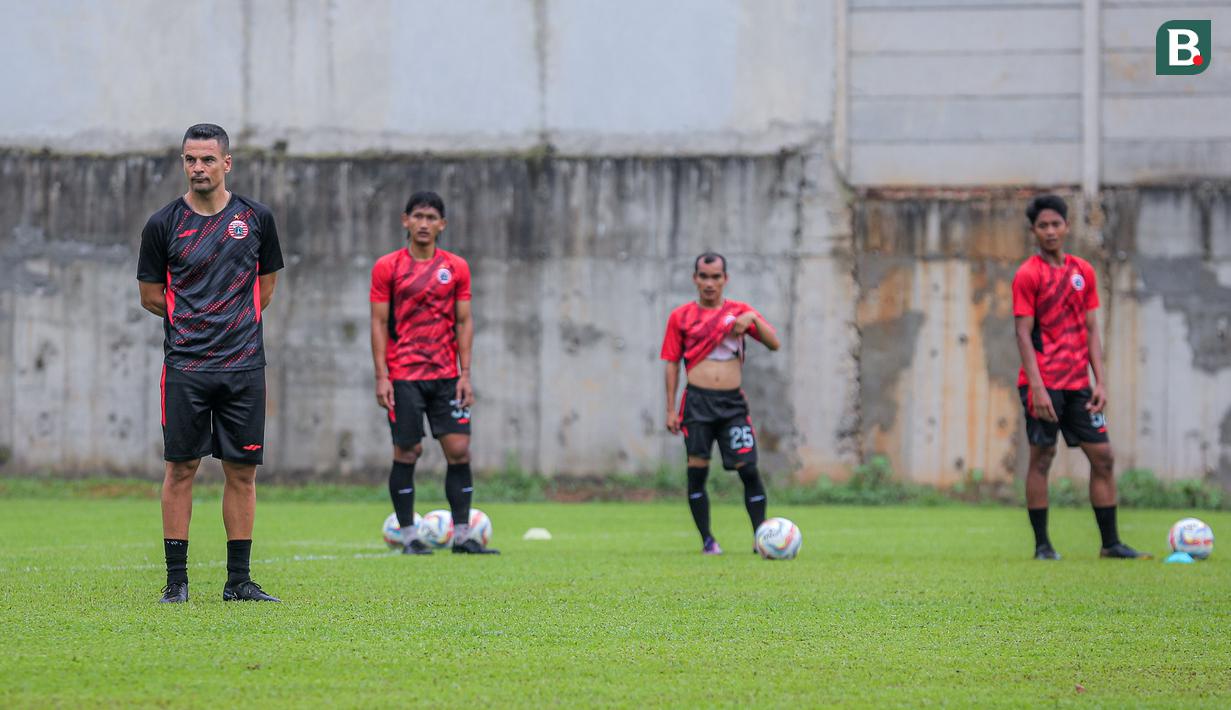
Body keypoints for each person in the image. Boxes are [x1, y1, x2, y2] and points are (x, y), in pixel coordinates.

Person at [137, 123, 285, 603]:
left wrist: (232, 323)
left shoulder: (256, 218)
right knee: (181, 468)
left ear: (227, 163)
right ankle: (176, 581)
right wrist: (197, 319)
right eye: (190, 159)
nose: (197, 168)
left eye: (206, 159)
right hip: (186, 367)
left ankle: (238, 581)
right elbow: (150, 295)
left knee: (242, 471)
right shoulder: (163, 224)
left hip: (244, 366)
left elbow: (265, 287)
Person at [1013, 194, 1149, 560]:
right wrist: (1038, 387)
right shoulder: (1029, 274)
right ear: (1034, 231)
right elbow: (1023, 333)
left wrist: (1100, 381)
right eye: (1043, 226)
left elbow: (1091, 329)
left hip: (1079, 385)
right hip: (1043, 385)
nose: (1051, 231)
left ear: (1067, 226)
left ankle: (1111, 544)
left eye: (1056, 224)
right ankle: (1043, 546)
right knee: (1042, 458)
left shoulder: (1083, 272)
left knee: (1103, 456)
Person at [370, 191, 497, 555]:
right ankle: (409, 536)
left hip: (446, 376)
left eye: (431, 218)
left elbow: (464, 320)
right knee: (407, 451)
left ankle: (462, 536)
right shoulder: (388, 267)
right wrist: (382, 376)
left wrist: (465, 373)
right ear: (405, 220)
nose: (424, 224)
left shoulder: (456, 267)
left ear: (442, 224)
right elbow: (378, 323)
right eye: (418, 216)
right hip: (404, 375)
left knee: (459, 450)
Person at [661, 252, 781, 554]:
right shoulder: (681, 317)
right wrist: (670, 408)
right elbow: (672, 363)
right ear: (695, 279)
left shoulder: (740, 312)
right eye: (704, 276)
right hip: (697, 403)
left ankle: (761, 540)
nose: (710, 283)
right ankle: (707, 541)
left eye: (716, 277)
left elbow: (773, 342)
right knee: (697, 471)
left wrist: (752, 319)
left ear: (725, 279)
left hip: (732, 405)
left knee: (749, 469)